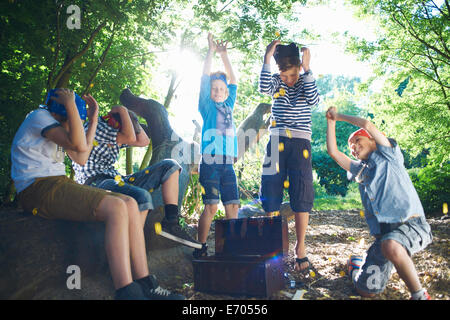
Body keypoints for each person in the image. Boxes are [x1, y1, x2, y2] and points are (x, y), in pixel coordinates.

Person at [11, 88, 184, 300]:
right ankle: (126, 291)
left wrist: (92, 118)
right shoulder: (39, 117)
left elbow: (80, 156)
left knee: (130, 203)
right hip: (38, 187)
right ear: (62, 111)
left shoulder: (56, 124)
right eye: (69, 117)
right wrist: (74, 108)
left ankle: (145, 282)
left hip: (57, 182)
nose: (70, 124)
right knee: (118, 207)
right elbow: (79, 145)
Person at [325, 106, 432, 300]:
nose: (354, 147)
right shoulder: (361, 171)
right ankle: (355, 266)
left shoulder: (389, 156)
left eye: (357, 141)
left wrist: (338, 116)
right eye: (351, 147)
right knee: (366, 290)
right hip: (384, 238)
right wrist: (330, 123)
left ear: (373, 139)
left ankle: (420, 295)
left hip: (412, 225)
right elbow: (333, 152)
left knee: (392, 245)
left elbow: (366, 124)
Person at [71, 104, 196, 244]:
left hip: (115, 179)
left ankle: (171, 223)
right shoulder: (97, 128)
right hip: (96, 182)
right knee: (142, 196)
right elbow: (131, 138)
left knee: (170, 166)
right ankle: (134, 246)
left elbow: (144, 141)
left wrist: (132, 118)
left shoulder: (115, 132)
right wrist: (124, 110)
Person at [259, 40, 319, 272]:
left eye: (292, 74)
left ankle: (300, 248)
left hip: (301, 142)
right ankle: (273, 244)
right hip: (276, 141)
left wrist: (307, 69)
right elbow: (263, 88)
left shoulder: (305, 81)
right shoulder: (275, 81)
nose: (289, 80)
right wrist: (267, 58)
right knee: (271, 189)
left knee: (301, 192)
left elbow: (313, 100)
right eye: (284, 76)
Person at [194, 33, 239, 258]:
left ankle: (232, 248)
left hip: (227, 164)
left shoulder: (229, 103)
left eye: (221, 89)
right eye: (214, 89)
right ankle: (200, 246)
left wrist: (225, 55)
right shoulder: (207, 106)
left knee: (233, 207)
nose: (218, 92)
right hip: (210, 162)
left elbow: (233, 80)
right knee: (211, 206)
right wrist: (211, 52)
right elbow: (204, 78)